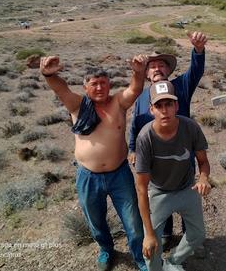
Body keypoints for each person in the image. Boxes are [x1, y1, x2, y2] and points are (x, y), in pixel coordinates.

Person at [40, 54, 149, 271]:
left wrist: (138, 71)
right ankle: (106, 250)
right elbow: (61, 89)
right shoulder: (78, 105)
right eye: (94, 84)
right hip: (88, 176)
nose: (99, 88)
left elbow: (135, 90)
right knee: (95, 219)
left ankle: (139, 257)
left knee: (133, 221)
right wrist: (48, 74)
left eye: (103, 83)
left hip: (120, 174)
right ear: (85, 86)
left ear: (109, 85)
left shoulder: (118, 102)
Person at [128, 31, 208, 246]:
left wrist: (198, 50)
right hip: (154, 153)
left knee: (185, 189)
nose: (157, 69)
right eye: (152, 66)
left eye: (161, 65)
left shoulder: (180, 85)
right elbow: (135, 124)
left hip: (183, 150)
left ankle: (189, 233)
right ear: (146, 73)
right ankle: (164, 232)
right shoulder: (142, 97)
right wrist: (133, 148)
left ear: (168, 70)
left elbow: (196, 71)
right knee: (159, 189)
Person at [135, 80, 212, 271]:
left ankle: (173, 263)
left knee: (197, 234)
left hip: (187, 188)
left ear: (176, 106)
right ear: (151, 109)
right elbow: (142, 188)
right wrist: (148, 234)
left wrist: (203, 178)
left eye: (168, 104)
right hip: (159, 192)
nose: (164, 110)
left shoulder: (190, 127)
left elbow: (203, 161)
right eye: (158, 105)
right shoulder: (145, 138)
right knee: (152, 246)